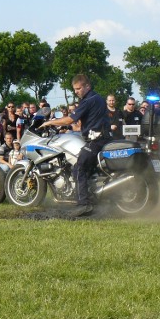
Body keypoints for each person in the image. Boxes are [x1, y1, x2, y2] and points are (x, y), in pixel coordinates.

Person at [41, 74, 110, 216]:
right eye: (74, 89)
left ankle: (83, 204)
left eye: (78, 88)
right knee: (86, 168)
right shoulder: (97, 98)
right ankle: (92, 197)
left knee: (79, 168)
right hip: (100, 138)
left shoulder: (88, 100)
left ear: (87, 86)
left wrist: (50, 122)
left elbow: (69, 120)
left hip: (96, 140)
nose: (76, 92)